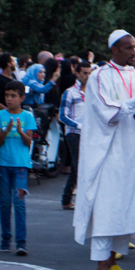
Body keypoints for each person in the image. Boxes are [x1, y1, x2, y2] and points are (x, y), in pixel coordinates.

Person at [74, 30, 135, 270]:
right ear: (114, 49)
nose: (134, 51)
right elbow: (107, 113)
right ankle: (101, 264)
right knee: (107, 207)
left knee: (126, 205)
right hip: (108, 151)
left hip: (132, 151)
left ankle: (113, 260)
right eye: (128, 47)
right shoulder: (99, 75)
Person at [0, 80, 35, 255]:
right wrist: (7, 128)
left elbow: (28, 142)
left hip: (21, 165)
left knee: (19, 203)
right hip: (3, 164)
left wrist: (19, 130)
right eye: (7, 96)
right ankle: (5, 238)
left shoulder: (28, 116)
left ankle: (21, 242)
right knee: (4, 202)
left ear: (21, 98)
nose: (9, 99)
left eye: (13, 96)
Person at [59, 60, 91, 210]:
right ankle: (71, 198)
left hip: (87, 134)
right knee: (79, 166)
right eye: (84, 73)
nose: (87, 76)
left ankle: (67, 199)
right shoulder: (70, 92)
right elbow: (62, 116)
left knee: (78, 166)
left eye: (89, 73)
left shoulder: (91, 92)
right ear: (77, 74)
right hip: (73, 133)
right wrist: (79, 125)